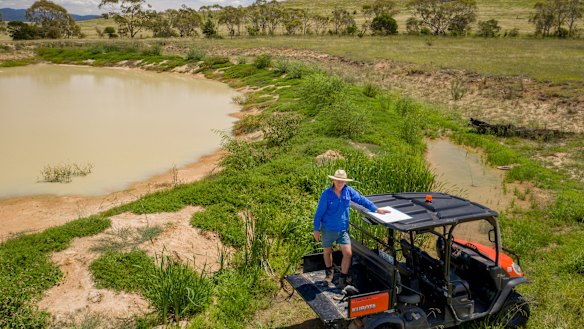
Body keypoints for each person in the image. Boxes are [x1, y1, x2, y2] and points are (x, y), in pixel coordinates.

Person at [313, 169, 390, 288]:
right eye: (338, 180)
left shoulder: (348, 191)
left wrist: (376, 209)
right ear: (334, 180)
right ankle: (329, 274)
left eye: (342, 181)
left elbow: (361, 199)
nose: (340, 183)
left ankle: (342, 278)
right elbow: (319, 213)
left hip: (343, 229)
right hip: (328, 229)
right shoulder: (326, 194)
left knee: (348, 253)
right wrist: (316, 229)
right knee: (327, 251)